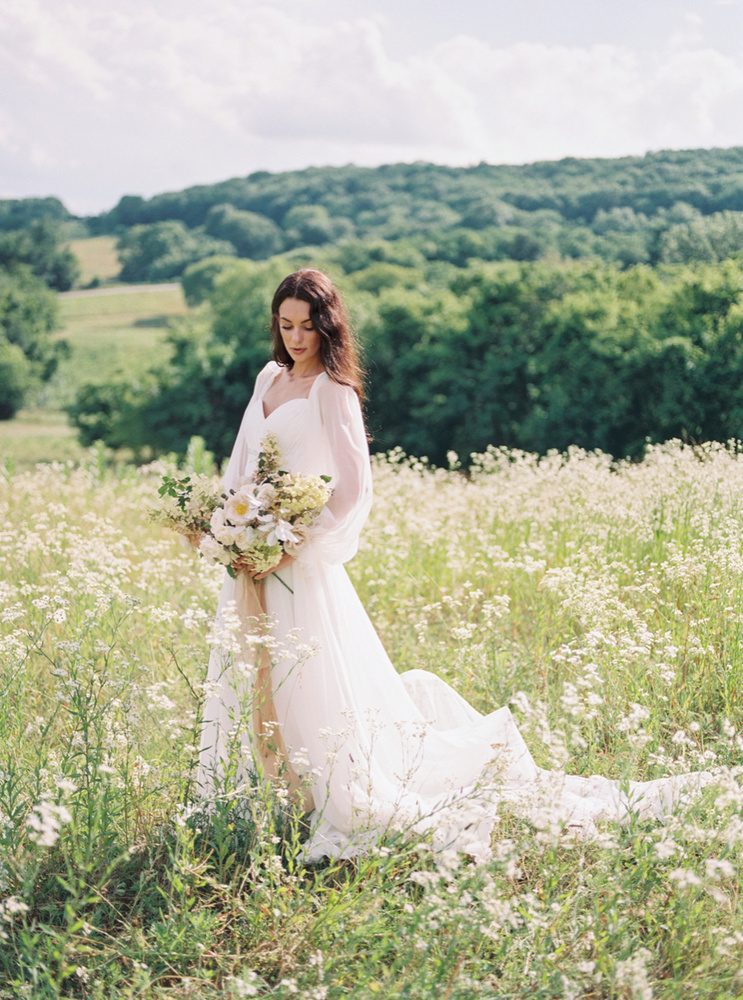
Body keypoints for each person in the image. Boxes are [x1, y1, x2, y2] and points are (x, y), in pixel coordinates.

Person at [197, 268, 709, 861]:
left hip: (298, 562)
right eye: (286, 325)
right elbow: (241, 466)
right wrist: (230, 527)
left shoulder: (333, 390)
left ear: (327, 326)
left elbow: (354, 489)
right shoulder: (268, 377)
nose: (295, 338)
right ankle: (262, 799)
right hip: (251, 557)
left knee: (309, 680)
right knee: (251, 671)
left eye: (307, 327)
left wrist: (289, 542)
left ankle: (323, 793)